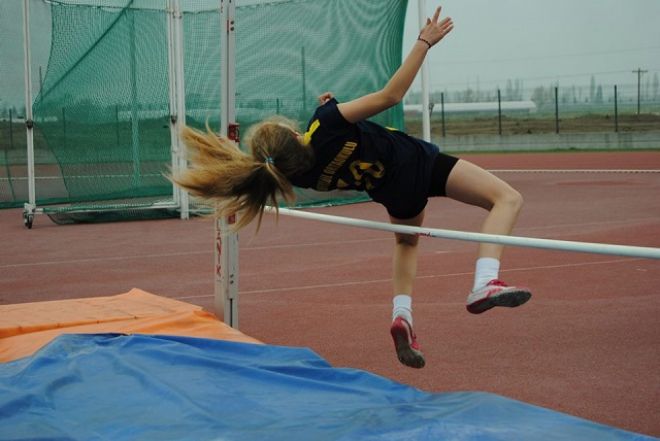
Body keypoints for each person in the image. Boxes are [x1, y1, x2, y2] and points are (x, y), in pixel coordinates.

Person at [172, 6, 531, 369]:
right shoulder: (325, 124)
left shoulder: (295, 173)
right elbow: (391, 95)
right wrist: (424, 43)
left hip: (388, 190)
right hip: (418, 163)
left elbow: (320, 150)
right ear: (294, 134)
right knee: (506, 198)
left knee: (407, 241)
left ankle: (402, 313)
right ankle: (486, 280)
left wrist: (330, 111)